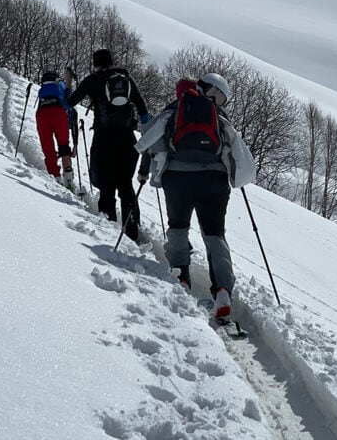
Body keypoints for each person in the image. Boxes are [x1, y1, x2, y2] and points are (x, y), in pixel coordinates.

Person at [134, 73, 255, 319]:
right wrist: (237, 177)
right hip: (214, 182)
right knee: (214, 234)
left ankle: (181, 278)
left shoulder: (175, 109)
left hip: (177, 180)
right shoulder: (219, 117)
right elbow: (237, 152)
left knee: (178, 228)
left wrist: (147, 170)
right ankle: (222, 289)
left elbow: (148, 142)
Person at [66, 49, 149, 240]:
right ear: (112, 61)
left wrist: (67, 85)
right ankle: (132, 228)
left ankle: (109, 228)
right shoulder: (125, 78)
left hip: (104, 139)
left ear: (96, 63)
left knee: (107, 185)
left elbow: (69, 103)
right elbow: (142, 107)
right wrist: (146, 132)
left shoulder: (93, 79)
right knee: (126, 184)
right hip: (128, 139)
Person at [35, 70, 74, 188]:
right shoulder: (59, 84)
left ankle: (55, 177)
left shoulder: (42, 90)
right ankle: (68, 179)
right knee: (64, 146)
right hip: (59, 114)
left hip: (42, 115)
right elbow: (68, 98)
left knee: (48, 148)